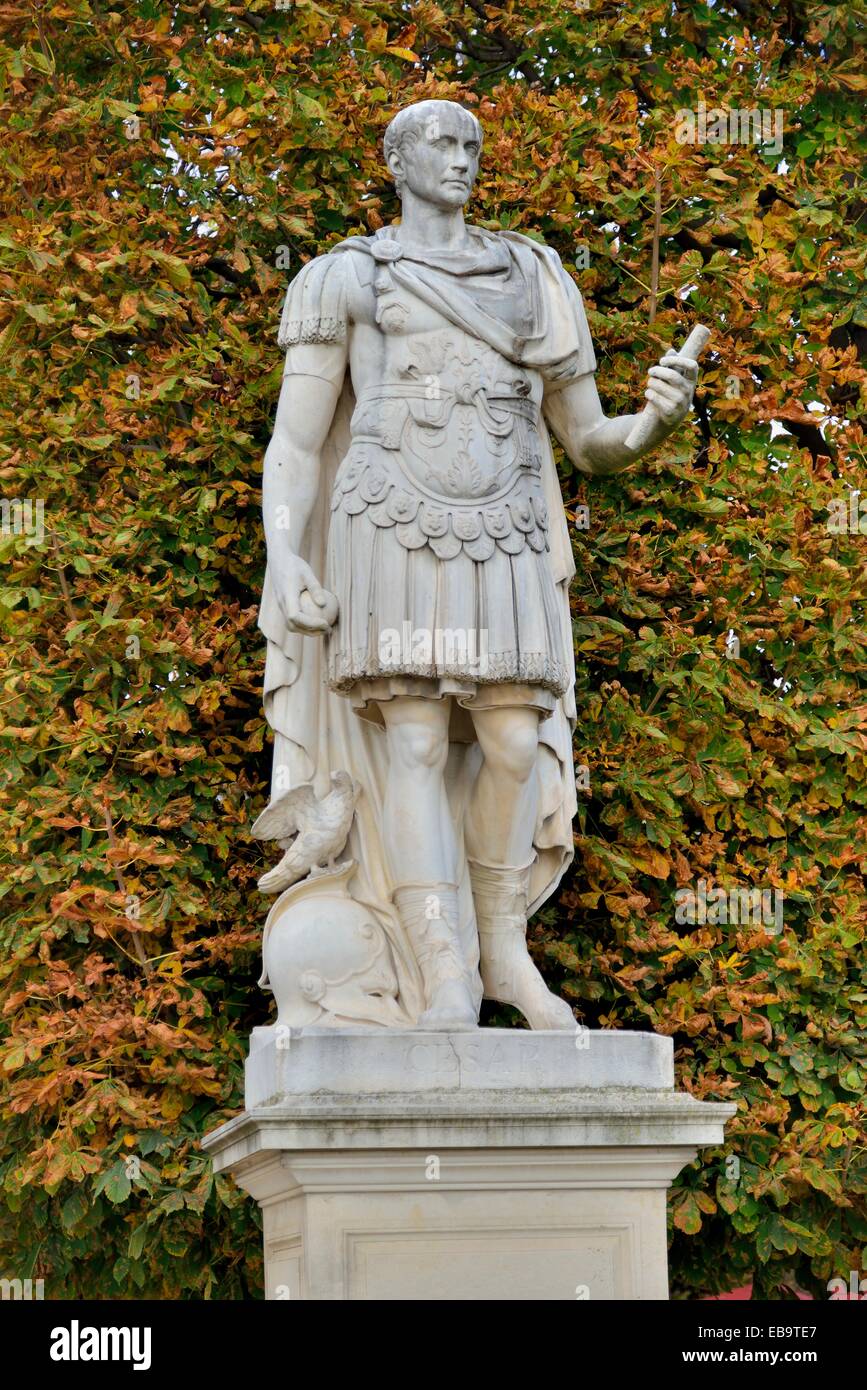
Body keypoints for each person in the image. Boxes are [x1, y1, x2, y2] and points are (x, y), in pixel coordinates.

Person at [259, 99, 698, 1031]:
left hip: (506, 526)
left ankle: (503, 947)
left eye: (471, 145)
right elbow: (295, 442)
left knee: (508, 740)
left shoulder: (533, 275)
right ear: (395, 159)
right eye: (440, 144)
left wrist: (655, 420)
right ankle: (443, 962)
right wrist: (283, 554)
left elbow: (588, 442)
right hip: (391, 516)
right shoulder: (344, 276)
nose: (460, 160)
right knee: (413, 739)